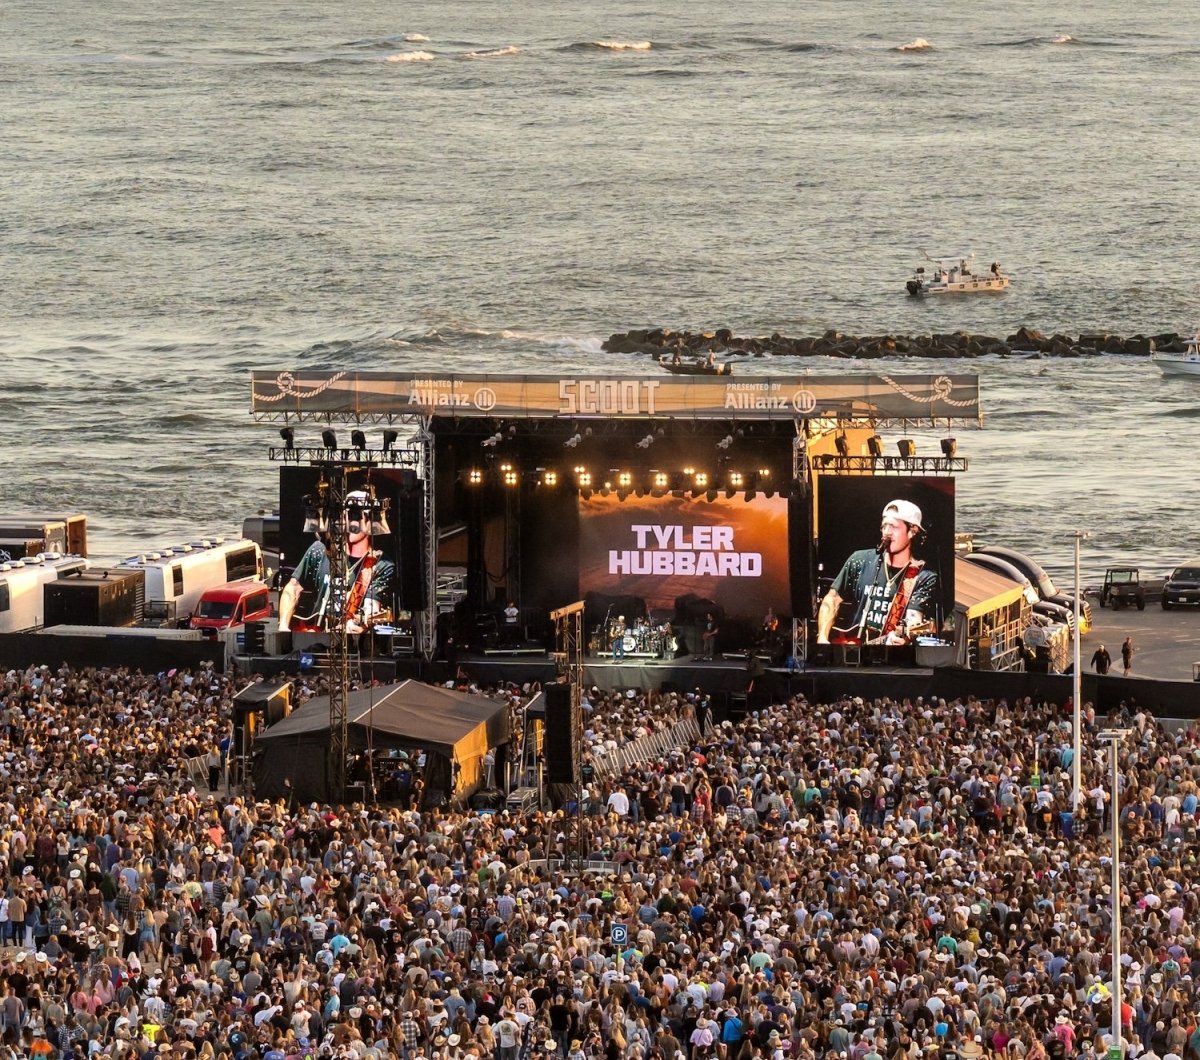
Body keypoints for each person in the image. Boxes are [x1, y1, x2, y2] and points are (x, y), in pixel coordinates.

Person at [817, 498, 938, 647]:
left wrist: (904, 638)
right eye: (884, 526)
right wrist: (822, 637)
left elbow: (913, 619)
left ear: (912, 531)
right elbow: (832, 599)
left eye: (893, 527)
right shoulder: (860, 560)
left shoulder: (923, 577)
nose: (886, 532)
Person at [277, 490, 396, 633]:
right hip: (314, 636)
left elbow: (371, 606)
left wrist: (360, 624)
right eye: (346, 517)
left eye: (356, 517)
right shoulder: (320, 550)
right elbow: (292, 588)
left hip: (350, 643)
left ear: (370, 522)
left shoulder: (381, 564)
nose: (349, 524)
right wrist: (283, 625)